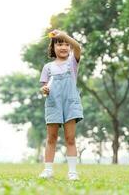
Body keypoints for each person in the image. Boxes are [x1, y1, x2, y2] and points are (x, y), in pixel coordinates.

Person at [38, 29, 84, 181]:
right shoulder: (48, 67)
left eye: (66, 44)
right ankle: (48, 170)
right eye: (59, 44)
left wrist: (64, 35)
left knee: (70, 138)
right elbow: (44, 87)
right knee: (51, 138)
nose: (64, 47)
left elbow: (78, 47)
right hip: (53, 104)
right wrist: (43, 89)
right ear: (53, 48)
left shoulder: (72, 63)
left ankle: (72, 172)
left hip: (70, 103)